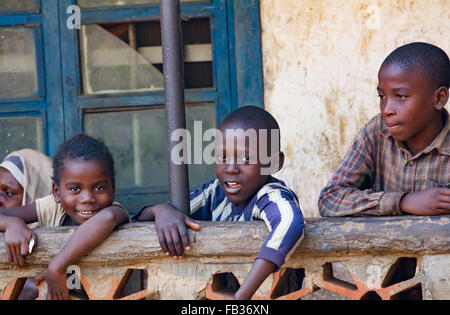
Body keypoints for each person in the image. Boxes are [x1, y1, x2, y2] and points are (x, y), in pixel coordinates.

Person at [136, 106, 305, 300]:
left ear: (274, 163)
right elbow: (151, 218)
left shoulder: (270, 194)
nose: (231, 168)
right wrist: (161, 211)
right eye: (222, 157)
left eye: (245, 158)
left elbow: (291, 223)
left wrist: (242, 296)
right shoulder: (214, 193)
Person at [318, 42, 450, 217]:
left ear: (439, 98)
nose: (387, 109)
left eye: (400, 96)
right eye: (382, 96)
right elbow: (330, 199)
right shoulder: (377, 132)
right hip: (381, 244)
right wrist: (403, 201)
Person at [0, 133, 129, 300]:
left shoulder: (114, 211)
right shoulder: (54, 208)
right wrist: (13, 223)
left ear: (113, 187)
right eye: (75, 189)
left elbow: (107, 219)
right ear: (56, 192)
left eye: (99, 188)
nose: (87, 198)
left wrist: (56, 267)